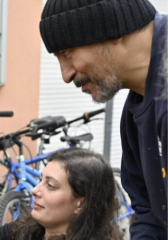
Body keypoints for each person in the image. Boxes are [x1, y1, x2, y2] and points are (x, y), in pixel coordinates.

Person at [39, 0, 167, 238]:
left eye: (67, 52)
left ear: (113, 27)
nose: (66, 75)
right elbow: (149, 214)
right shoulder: (135, 111)